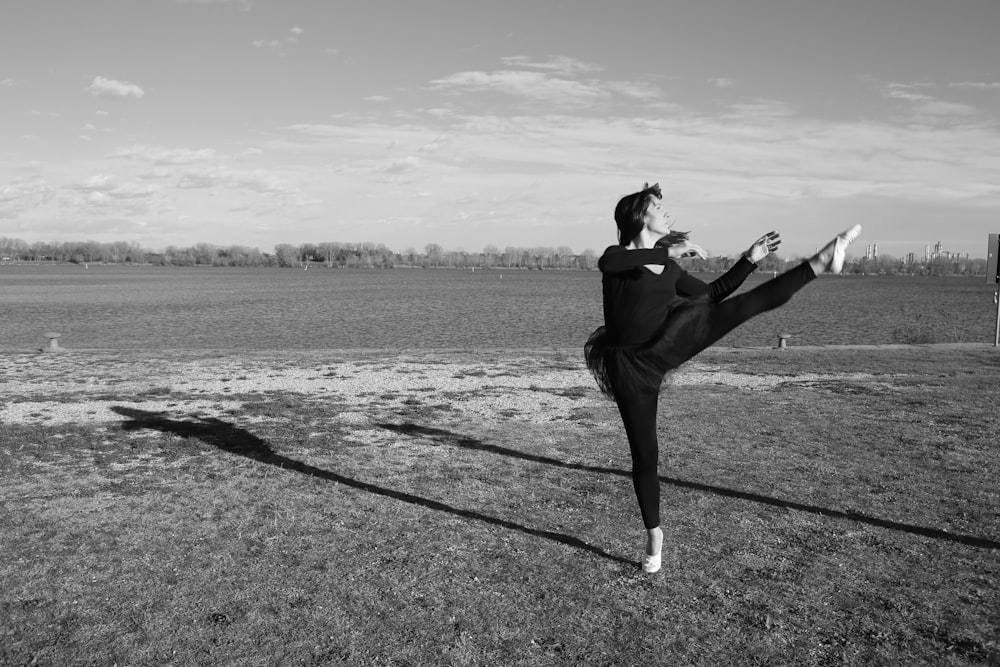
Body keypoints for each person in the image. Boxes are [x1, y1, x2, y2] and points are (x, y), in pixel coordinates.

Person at [584, 182, 861, 574]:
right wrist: (666, 251)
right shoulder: (618, 257)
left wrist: (749, 260)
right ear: (638, 216)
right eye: (657, 206)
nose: (665, 212)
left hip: (666, 344)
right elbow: (609, 264)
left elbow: (713, 292)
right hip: (629, 367)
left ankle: (820, 261)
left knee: (740, 308)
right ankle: (654, 534)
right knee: (646, 455)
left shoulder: (668, 266)